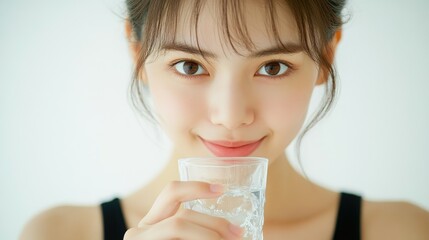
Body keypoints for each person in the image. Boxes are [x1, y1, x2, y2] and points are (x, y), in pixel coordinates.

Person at [20, 0, 429, 239]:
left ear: (326, 56)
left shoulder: (402, 231)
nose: (231, 116)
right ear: (137, 54)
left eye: (272, 67)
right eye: (189, 65)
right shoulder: (59, 233)